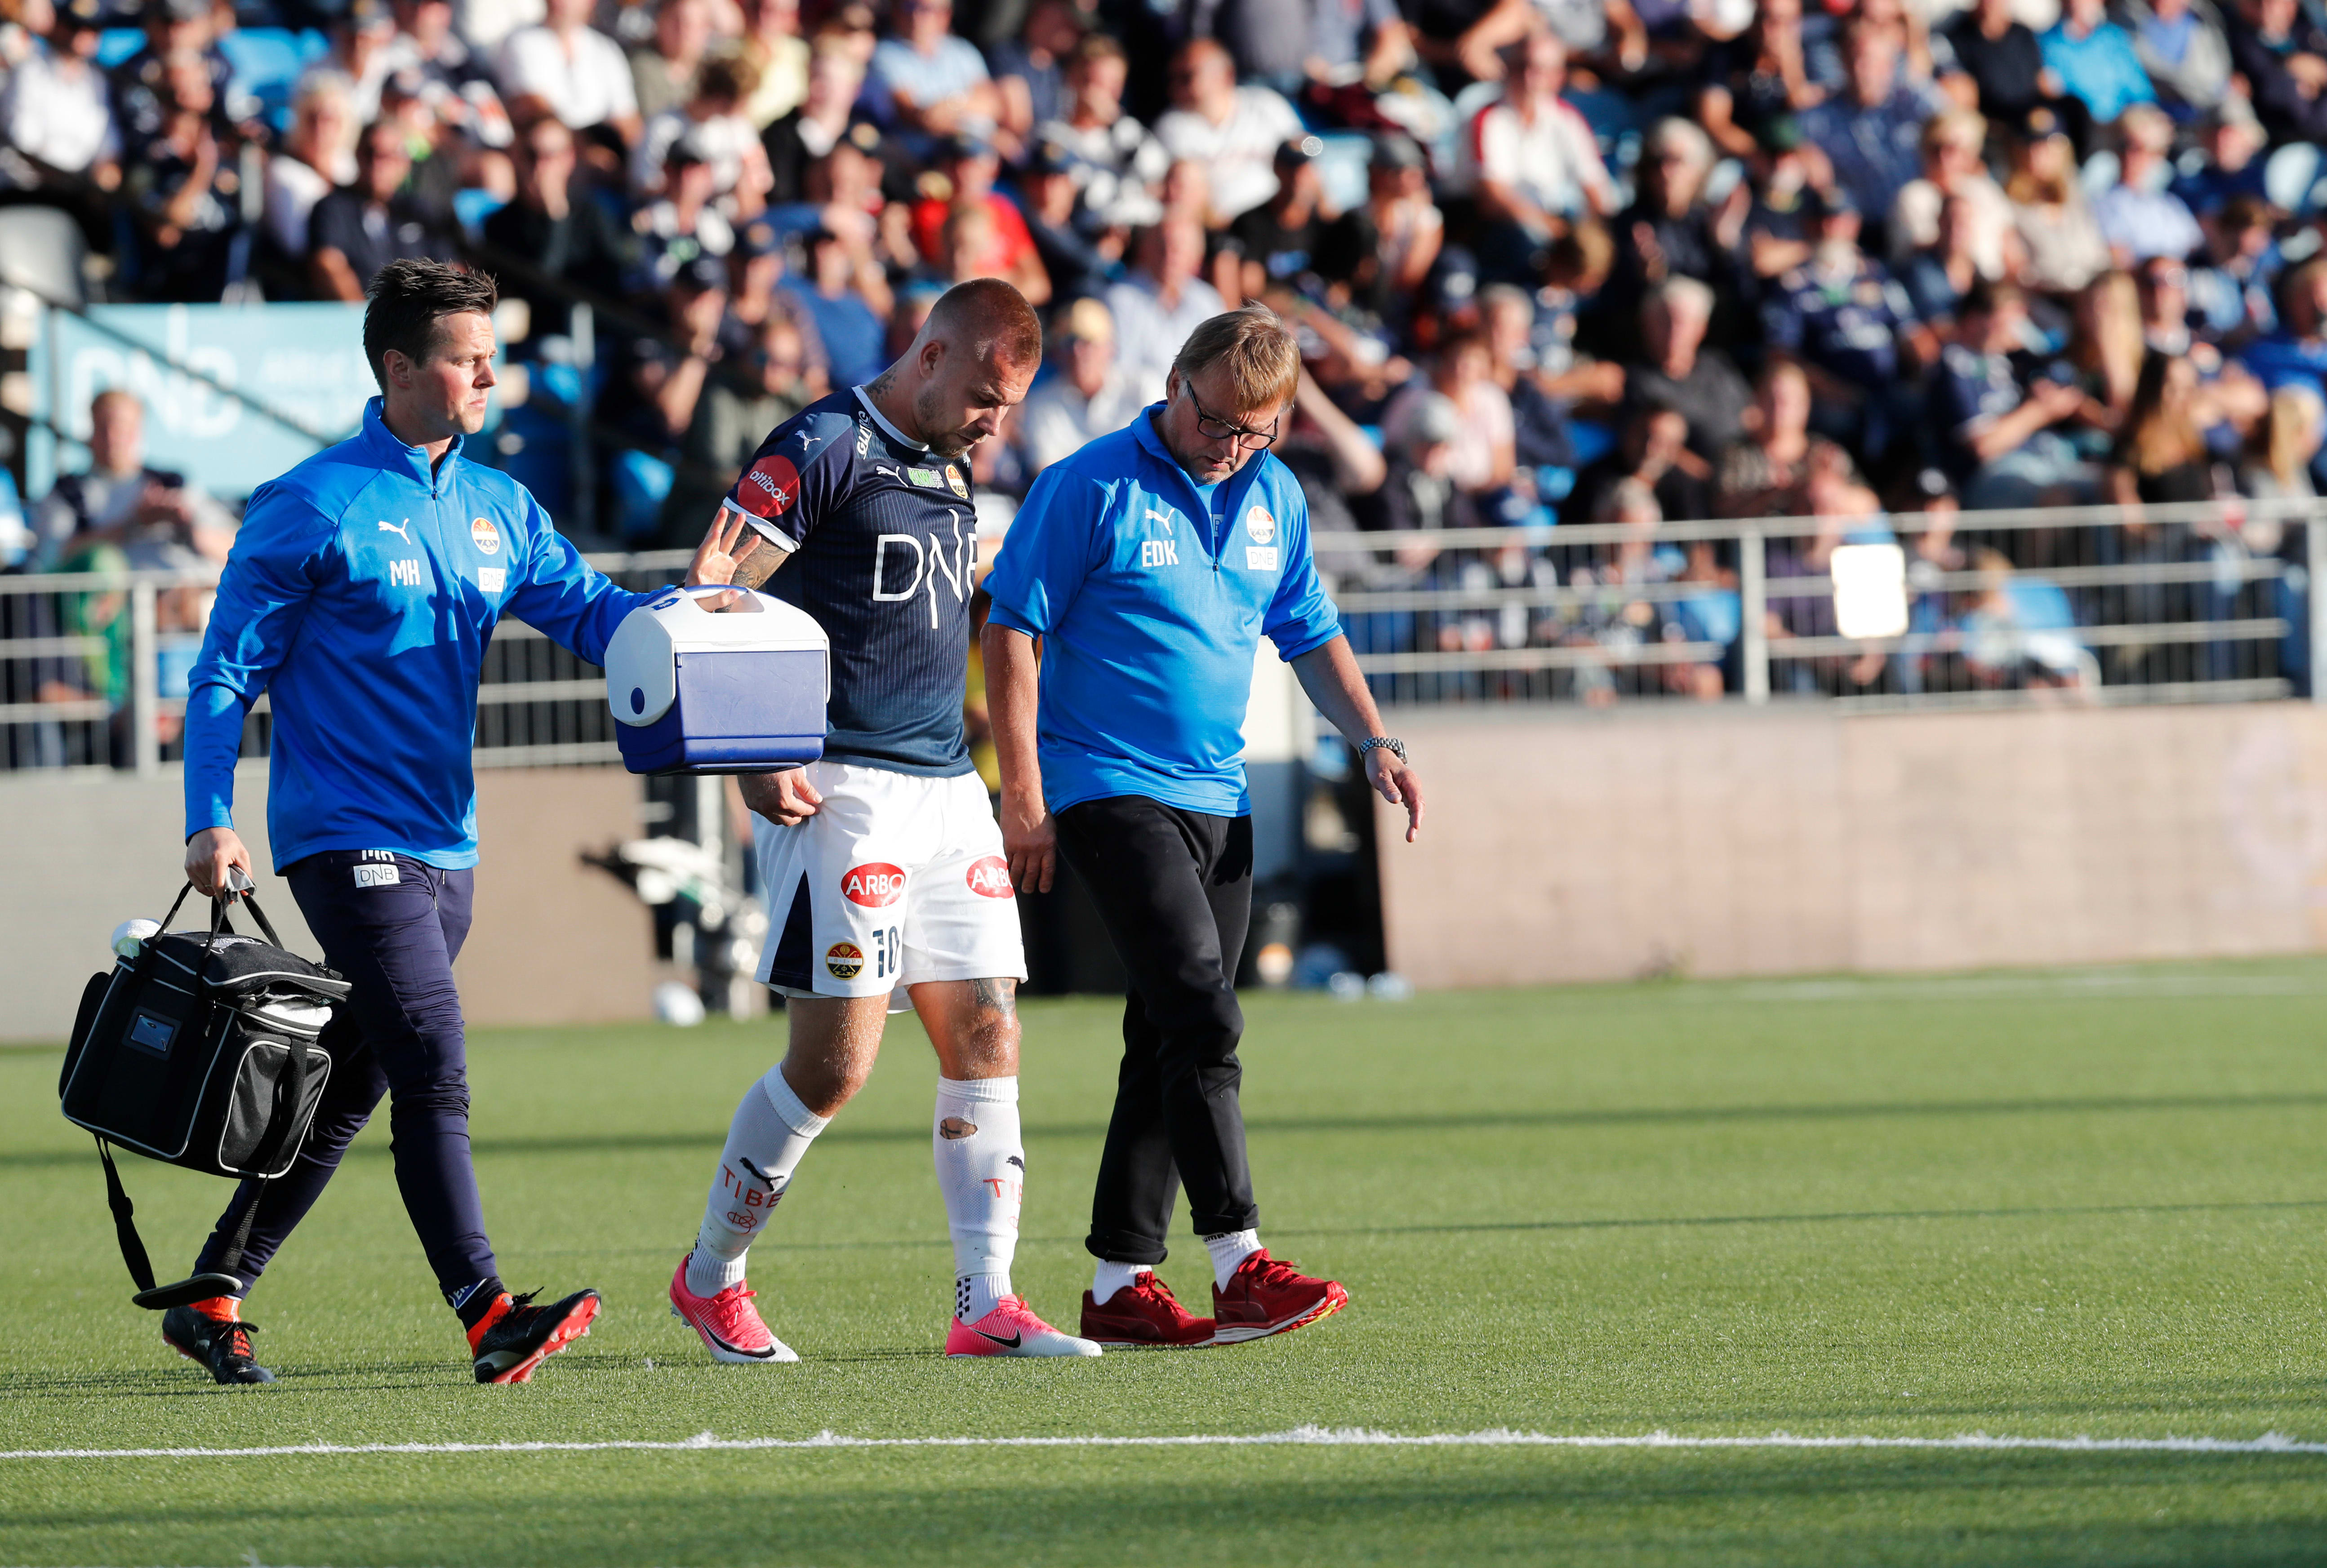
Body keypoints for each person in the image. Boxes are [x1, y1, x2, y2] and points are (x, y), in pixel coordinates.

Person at [171, 260, 746, 1386]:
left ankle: (212, 1290)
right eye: (465, 358)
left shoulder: (500, 505)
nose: (489, 376)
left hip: (448, 847)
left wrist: (695, 608)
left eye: (492, 356)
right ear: (398, 368)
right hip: (344, 833)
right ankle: (488, 1314)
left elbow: (596, 618)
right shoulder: (310, 501)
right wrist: (209, 818)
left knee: (350, 1088)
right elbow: (223, 674)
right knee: (433, 1059)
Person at [664, 279, 1098, 1362]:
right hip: (842, 786)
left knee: (989, 1029)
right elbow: (713, 588)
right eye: (986, 398)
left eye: (1009, 406)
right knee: (835, 1064)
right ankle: (710, 1275)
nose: (995, 423)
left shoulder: (950, 461)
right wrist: (747, 750)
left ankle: (985, 1301)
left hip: (947, 787)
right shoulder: (822, 445)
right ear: (931, 355)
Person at [981, 304, 1422, 1350]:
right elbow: (1009, 629)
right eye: (1213, 420)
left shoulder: (1275, 492)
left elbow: (1308, 629)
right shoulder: (1088, 483)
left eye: (1252, 432)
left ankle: (1119, 1280)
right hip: (1104, 783)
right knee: (1202, 1011)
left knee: (1166, 1034)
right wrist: (1023, 793)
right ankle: (1237, 1260)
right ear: (1173, 384)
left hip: (1218, 799)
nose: (1227, 446)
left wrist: (1374, 739)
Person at [310, 119, 460, 300]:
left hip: (418, 312)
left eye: (388, 157)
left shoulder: (420, 212)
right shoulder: (333, 207)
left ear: (405, 164)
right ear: (357, 155)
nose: (377, 164)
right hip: (361, 313)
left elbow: (452, 269)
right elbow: (330, 265)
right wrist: (363, 314)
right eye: (370, 153)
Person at [1017, 296, 1142, 473]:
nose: (1077, 351)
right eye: (1068, 343)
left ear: (1110, 349)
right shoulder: (1040, 402)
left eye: (1088, 342)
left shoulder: (1142, 389)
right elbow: (1045, 474)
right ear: (1056, 352)